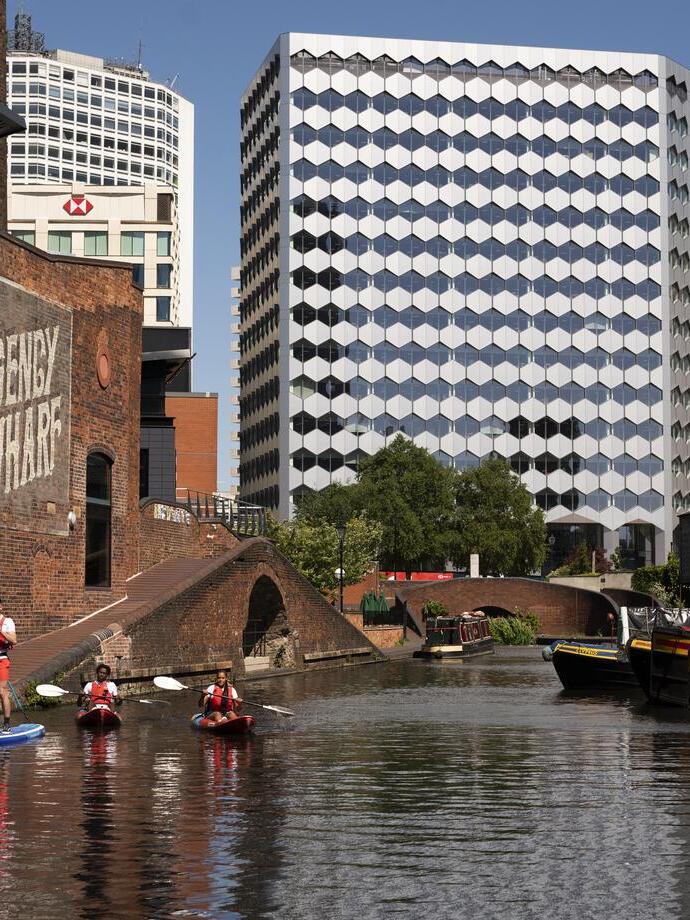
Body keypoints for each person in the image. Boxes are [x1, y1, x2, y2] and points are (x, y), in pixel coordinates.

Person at [0, 600, 17, 734]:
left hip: (2, 659)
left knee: (2, 691)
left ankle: (6, 724)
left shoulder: (8, 622)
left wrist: (1, 632)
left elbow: (14, 640)